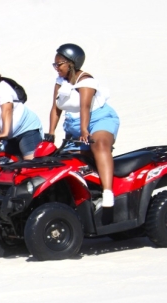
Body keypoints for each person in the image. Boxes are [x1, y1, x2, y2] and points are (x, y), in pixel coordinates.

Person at [48, 43, 120, 207]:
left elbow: (84, 107)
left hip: (99, 119)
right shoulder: (60, 81)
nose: (56, 68)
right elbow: (55, 108)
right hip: (74, 124)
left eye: (59, 64)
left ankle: (108, 191)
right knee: (65, 159)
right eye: (55, 64)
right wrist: (50, 133)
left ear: (71, 63)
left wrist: (84, 130)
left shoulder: (86, 81)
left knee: (98, 144)